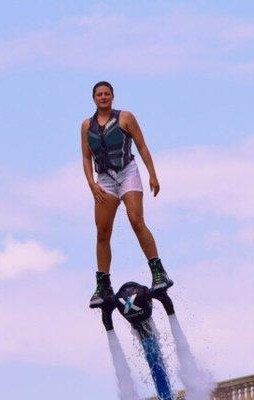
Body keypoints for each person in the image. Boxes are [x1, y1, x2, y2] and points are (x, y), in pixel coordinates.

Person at [81, 81, 173, 308]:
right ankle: (103, 284)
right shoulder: (86, 126)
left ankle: (158, 272)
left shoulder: (125, 118)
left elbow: (141, 146)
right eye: (99, 94)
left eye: (107, 94)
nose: (103, 97)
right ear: (94, 98)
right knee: (102, 231)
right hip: (104, 179)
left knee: (136, 220)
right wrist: (91, 184)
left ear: (112, 96)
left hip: (127, 172)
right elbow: (86, 157)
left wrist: (153, 174)